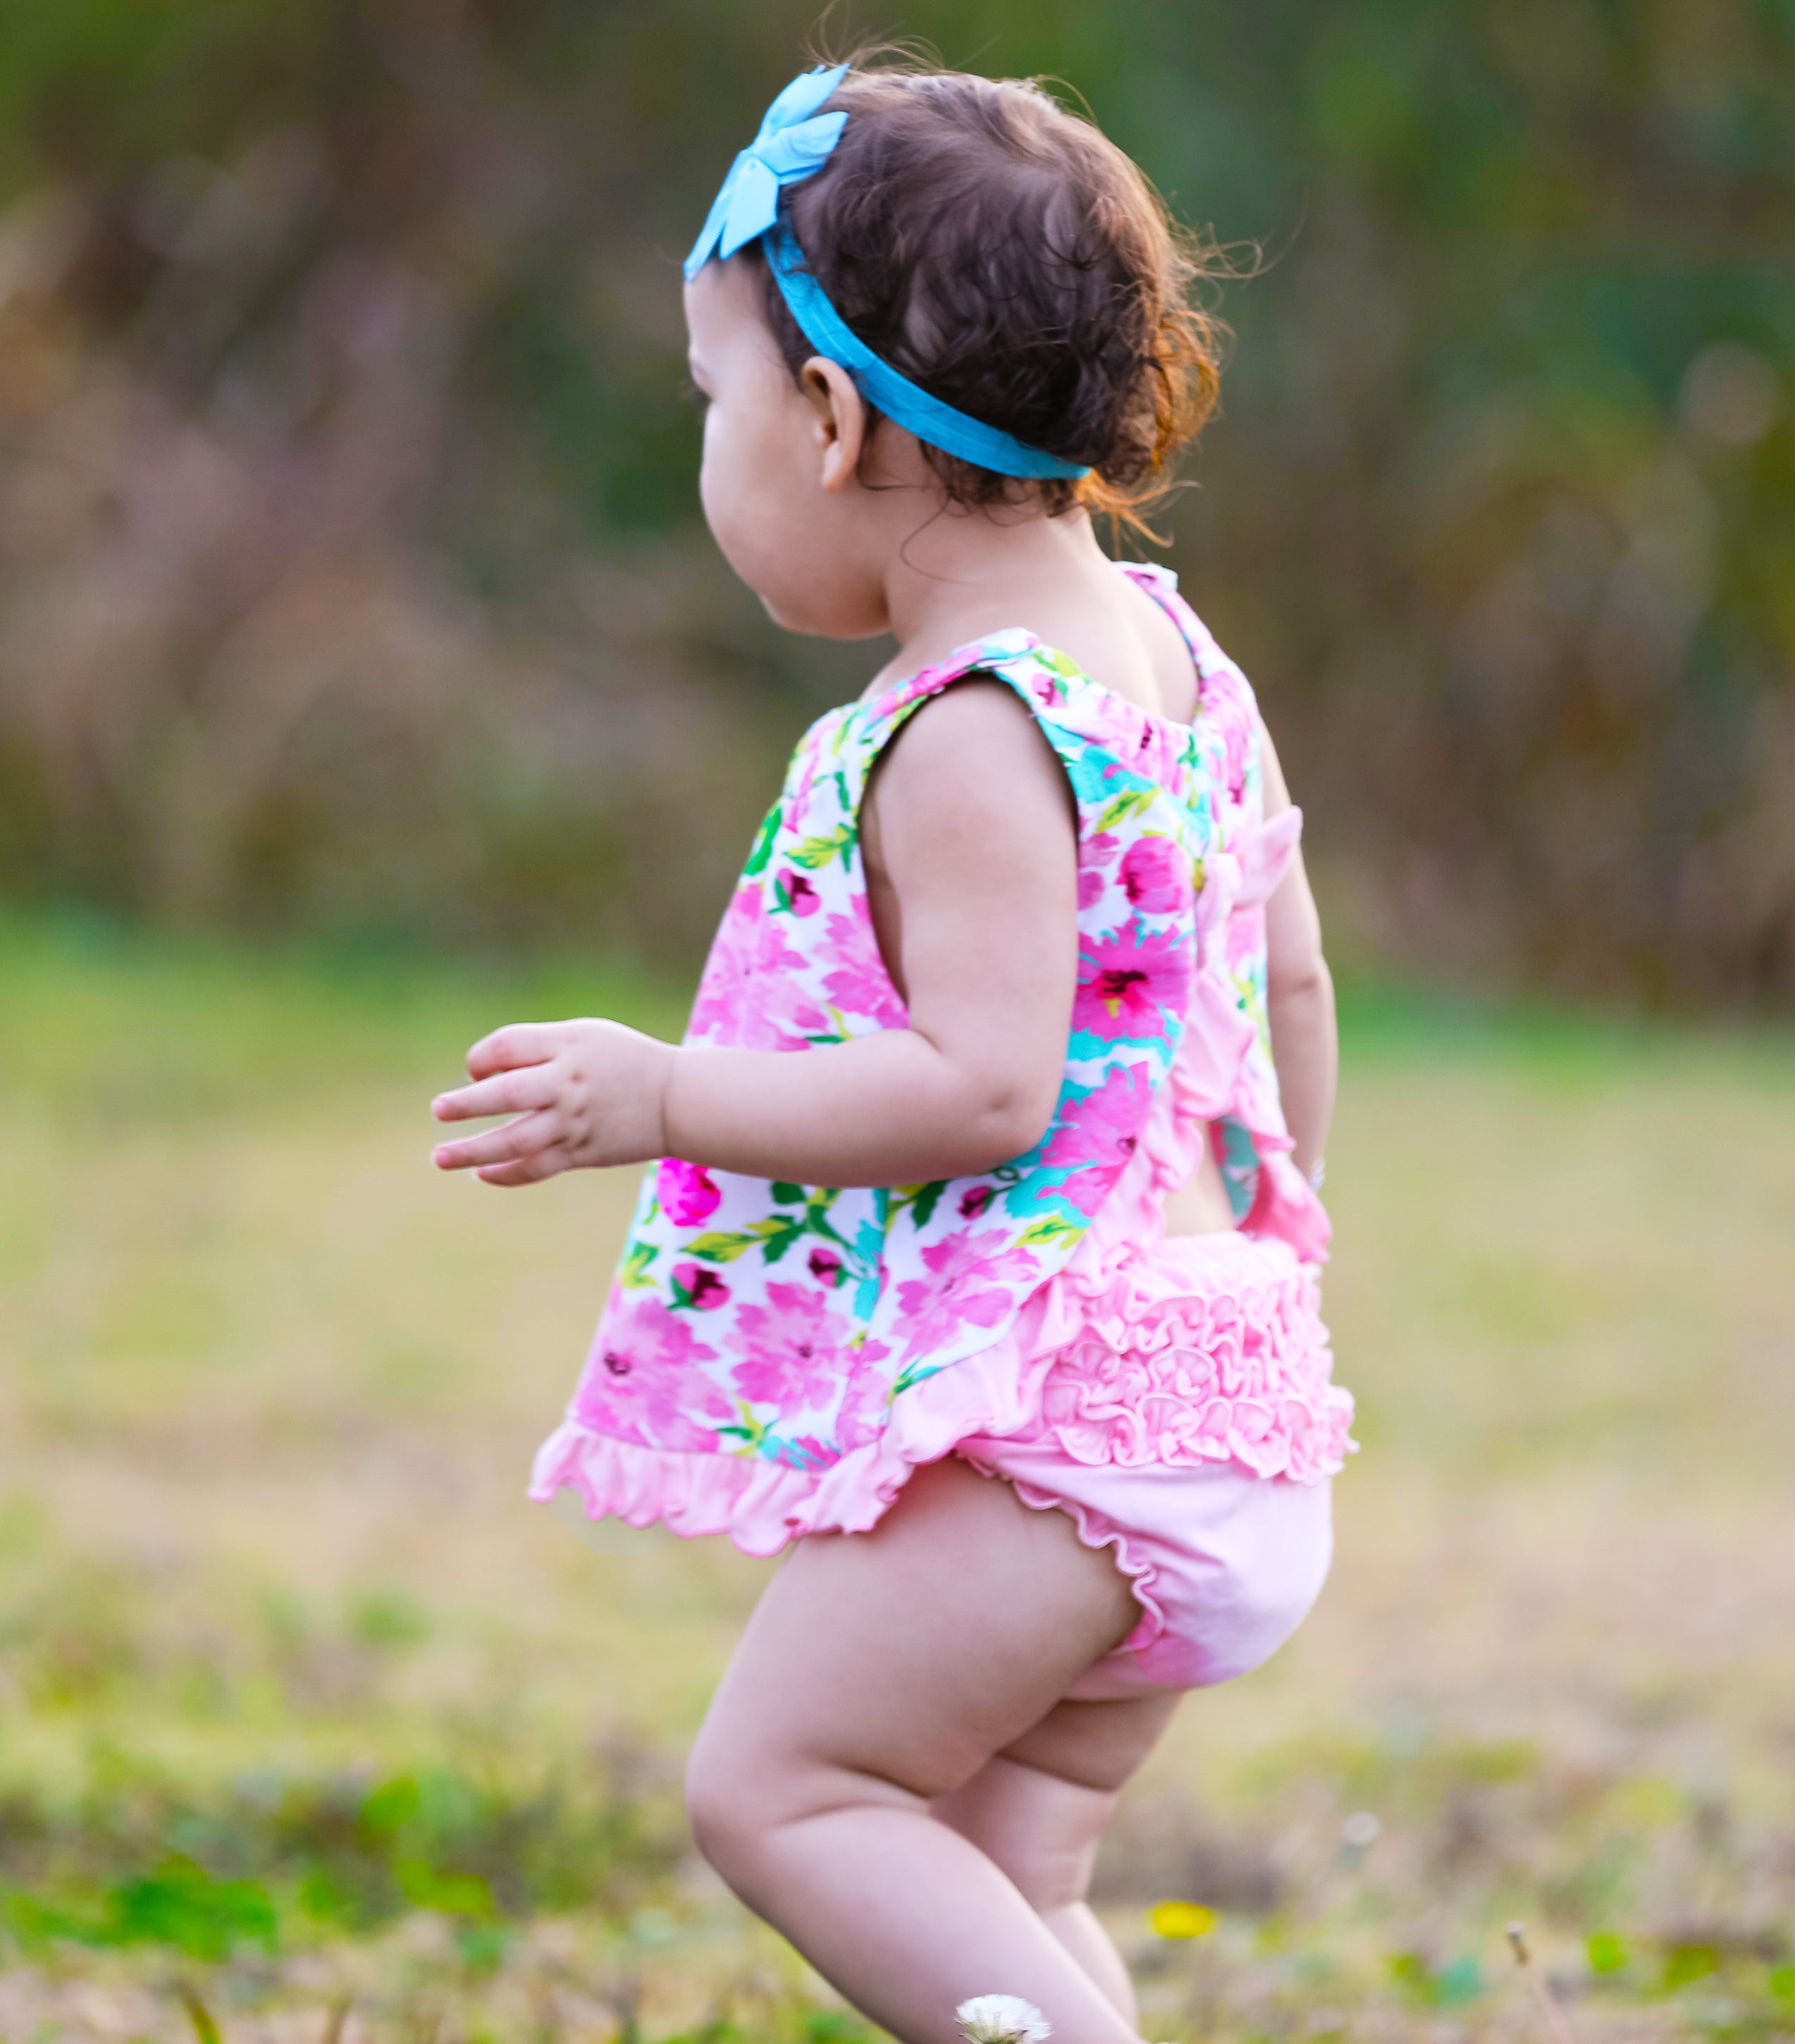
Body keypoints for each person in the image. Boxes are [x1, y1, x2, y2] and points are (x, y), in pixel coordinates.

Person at [430, 55, 1352, 2044]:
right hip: (1230, 1389)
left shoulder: (964, 730)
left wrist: (663, 1091)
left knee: (780, 1787)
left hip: (1074, 1430)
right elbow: (1286, 988)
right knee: (994, 1874)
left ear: (830, 419)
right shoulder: (1189, 669)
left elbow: (980, 1087)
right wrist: (1261, 1268)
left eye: (713, 398)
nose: (711, 447)